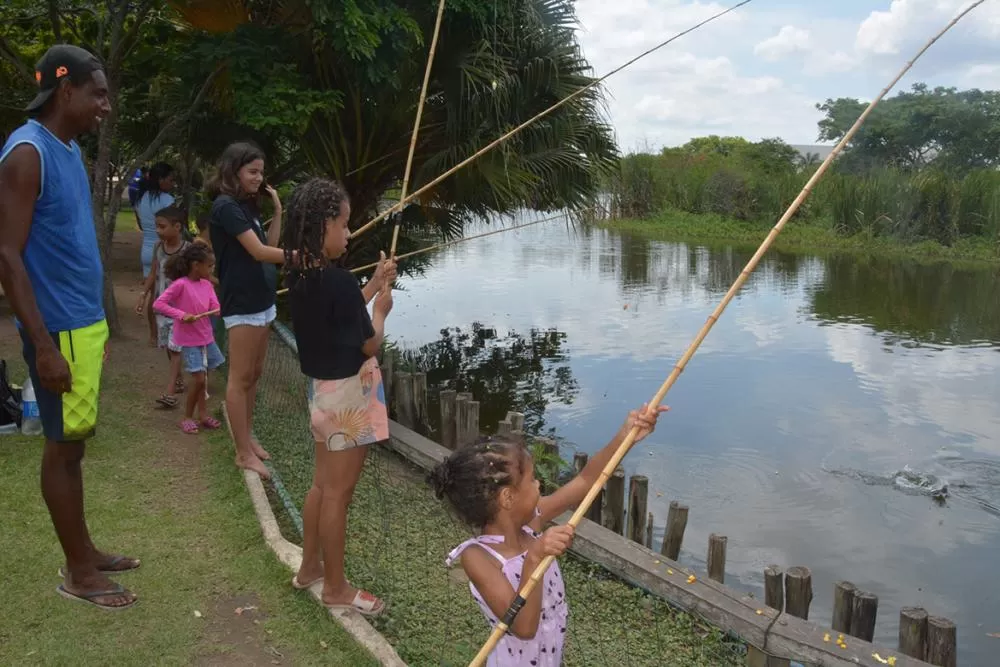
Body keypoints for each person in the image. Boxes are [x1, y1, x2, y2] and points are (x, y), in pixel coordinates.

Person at [0, 44, 139, 610]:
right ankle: (79, 574)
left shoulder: (68, 147)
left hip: (83, 325)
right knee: (61, 447)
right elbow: (7, 256)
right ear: (66, 90)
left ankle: (84, 550)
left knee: (74, 443)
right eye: (98, 93)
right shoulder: (25, 154)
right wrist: (41, 346)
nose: (105, 104)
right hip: (56, 330)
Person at [429, 404, 668, 665]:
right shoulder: (478, 557)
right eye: (531, 480)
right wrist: (534, 557)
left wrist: (626, 437)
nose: (538, 484)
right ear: (508, 497)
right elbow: (523, 628)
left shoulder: (532, 522)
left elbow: (586, 481)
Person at [282, 178, 396, 615]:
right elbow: (367, 343)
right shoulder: (339, 282)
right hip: (350, 399)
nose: (349, 234)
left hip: (323, 395)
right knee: (338, 495)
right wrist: (381, 313)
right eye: (345, 225)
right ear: (325, 223)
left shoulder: (303, 274)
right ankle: (336, 587)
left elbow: (343, 313)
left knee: (321, 486)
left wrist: (371, 285)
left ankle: (310, 566)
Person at [206, 141, 287, 479]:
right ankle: (243, 453)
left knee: (254, 375)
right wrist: (305, 258)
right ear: (233, 171)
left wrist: (278, 211)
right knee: (239, 379)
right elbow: (257, 253)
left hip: (263, 301)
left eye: (261, 172)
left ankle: (248, 438)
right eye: (252, 172)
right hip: (242, 304)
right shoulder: (225, 207)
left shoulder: (245, 207)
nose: (259, 178)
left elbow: (269, 246)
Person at [152, 243, 224, 434]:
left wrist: (221, 309)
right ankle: (186, 417)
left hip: (206, 338)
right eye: (209, 266)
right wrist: (181, 315)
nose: (212, 270)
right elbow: (159, 304)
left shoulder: (207, 285)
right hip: (190, 341)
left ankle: (202, 415)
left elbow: (214, 306)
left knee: (204, 379)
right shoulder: (180, 285)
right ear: (196, 265)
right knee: (199, 380)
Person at [135, 206, 189, 408]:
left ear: (177, 227)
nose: (158, 230)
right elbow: (153, 275)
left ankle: (170, 391)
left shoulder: (188, 250)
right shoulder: (158, 247)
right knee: (168, 345)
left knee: (175, 348)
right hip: (162, 306)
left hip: (181, 308)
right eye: (157, 226)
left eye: (162, 226)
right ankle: (179, 379)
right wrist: (143, 295)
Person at [136, 162, 175, 346]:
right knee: (167, 295)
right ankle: (167, 334)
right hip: (164, 250)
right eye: (170, 179)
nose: (172, 183)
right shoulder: (168, 200)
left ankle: (153, 335)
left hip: (146, 247)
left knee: (153, 295)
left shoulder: (143, 198)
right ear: (161, 180)